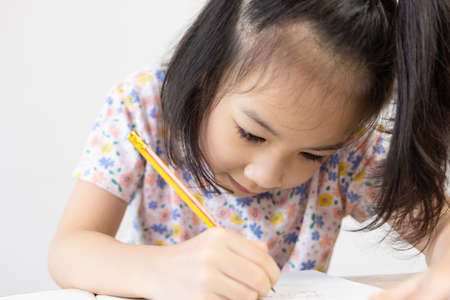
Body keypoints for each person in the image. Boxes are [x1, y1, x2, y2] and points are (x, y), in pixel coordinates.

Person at [47, 1, 450, 300]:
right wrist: (162, 271)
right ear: (204, 76)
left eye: (312, 155)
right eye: (252, 134)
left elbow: (442, 231)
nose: (267, 175)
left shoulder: (350, 151)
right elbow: (69, 250)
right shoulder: (145, 108)